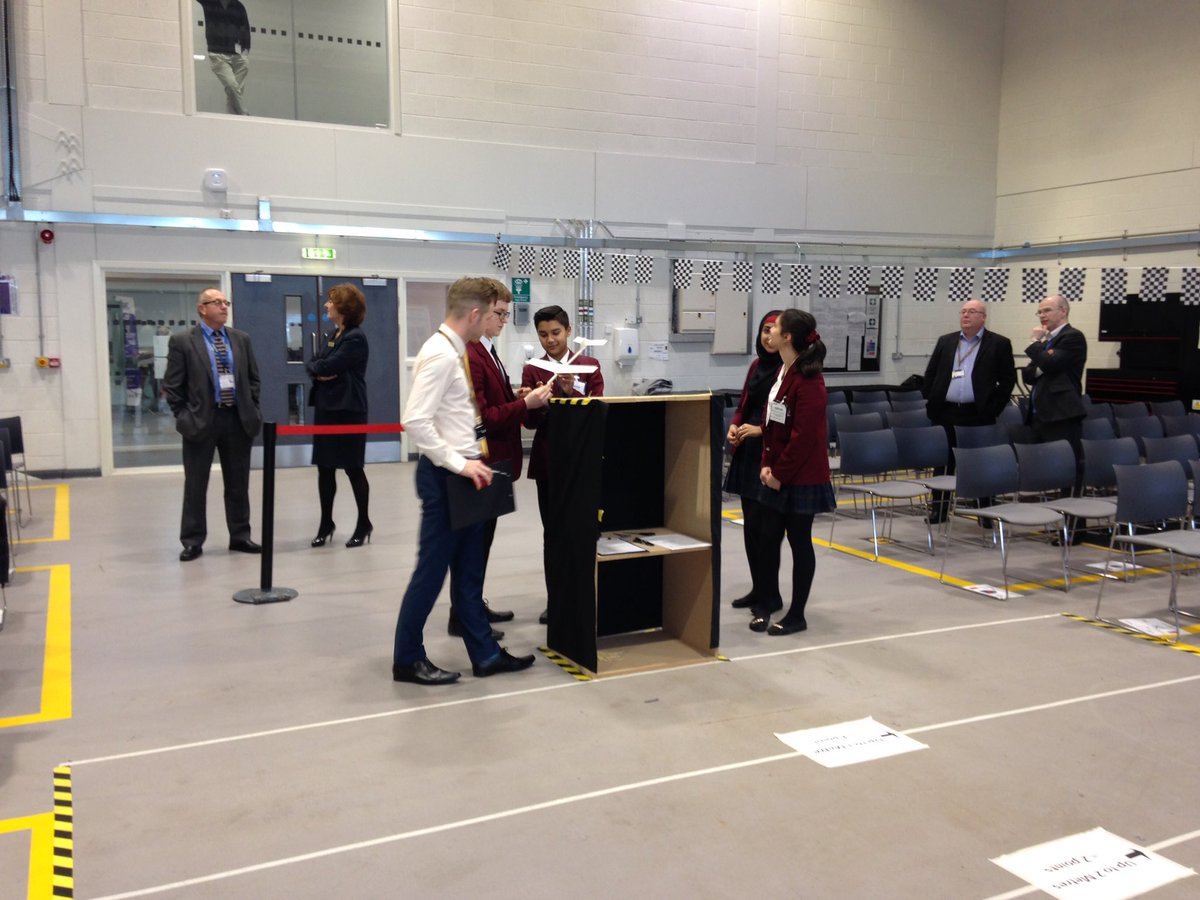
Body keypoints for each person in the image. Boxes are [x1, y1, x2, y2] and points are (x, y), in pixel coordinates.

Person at [392, 276, 536, 686]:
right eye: (493, 313)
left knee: (470, 572)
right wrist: (459, 464)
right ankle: (407, 658)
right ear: (475, 313)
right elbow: (415, 421)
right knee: (432, 573)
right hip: (449, 477)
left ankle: (485, 654)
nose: (496, 320)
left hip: (470, 472)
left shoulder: (455, 351)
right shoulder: (441, 355)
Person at [446, 288, 553, 638]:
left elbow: (495, 402)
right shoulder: (472, 354)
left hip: (496, 461)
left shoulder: (487, 351)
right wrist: (527, 405)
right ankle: (465, 615)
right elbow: (485, 416)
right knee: (474, 545)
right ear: (478, 313)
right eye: (500, 314)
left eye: (507, 314)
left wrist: (517, 397)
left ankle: (470, 606)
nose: (506, 321)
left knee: (482, 542)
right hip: (485, 460)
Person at [751, 308, 836, 636]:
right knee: (767, 538)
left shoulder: (809, 380)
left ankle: (797, 614)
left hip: (799, 476)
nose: (768, 333)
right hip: (777, 470)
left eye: (775, 329)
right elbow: (771, 423)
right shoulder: (784, 372)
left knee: (799, 541)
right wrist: (766, 465)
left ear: (788, 337)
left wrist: (779, 474)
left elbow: (804, 437)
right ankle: (766, 603)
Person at [162, 288, 262, 561]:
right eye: (216, 303)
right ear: (202, 309)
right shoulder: (183, 341)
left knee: (238, 483)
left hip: (236, 419)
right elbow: (172, 386)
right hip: (200, 420)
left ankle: (240, 536)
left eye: (225, 302)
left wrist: (252, 406)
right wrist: (184, 416)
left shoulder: (241, 339)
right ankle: (193, 540)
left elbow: (253, 378)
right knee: (196, 484)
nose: (223, 307)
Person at [521, 305, 605, 625]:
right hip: (549, 460)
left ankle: (584, 595)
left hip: (583, 460)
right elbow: (529, 421)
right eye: (543, 334)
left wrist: (571, 394)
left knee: (584, 531)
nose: (550, 340)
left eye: (555, 333)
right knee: (553, 533)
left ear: (568, 331)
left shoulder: (589, 364)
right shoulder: (533, 368)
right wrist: (543, 401)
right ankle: (555, 598)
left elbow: (597, 410)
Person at [922, 298, 1017, 522]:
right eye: (963, 311)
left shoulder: (999, 343)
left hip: (978, 413)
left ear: (983, 317)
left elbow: (1007, 380)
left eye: (972, 312)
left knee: (980, 461)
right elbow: (931, 373)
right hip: (945, 412)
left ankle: (985, 510)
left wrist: (993, 408)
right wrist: (932, 397)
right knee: (944, 462)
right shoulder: (946, 341)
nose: (965, 315)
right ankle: (940, 510)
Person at [725, 310, 783, 613]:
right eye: (764, 329)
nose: (768, 335)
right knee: (751, 527)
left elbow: (786, 416)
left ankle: (771, 595)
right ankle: (758, 589)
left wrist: (761, 430)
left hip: (769, 452)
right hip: (748, 448)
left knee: (767, 530)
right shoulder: (757, 366)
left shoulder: (789, 369)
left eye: (774, 329)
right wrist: (735, 425)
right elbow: (744, 402)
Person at [307, 283, 372, 549]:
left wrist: (321, 368)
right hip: (326, 410)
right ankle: (326, 523)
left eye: (331, 301)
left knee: (353, 469)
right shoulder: (335, 334)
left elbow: (329, 364)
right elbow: (313, 364)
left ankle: (363, 523)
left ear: (344, 307)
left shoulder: (355, 337)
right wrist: (319, 369)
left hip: (348, 411)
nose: (326, 305)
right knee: (325, 470)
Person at [1024, 293, 1088, 494]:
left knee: (1067, 466)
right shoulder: (1048, 342)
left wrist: (1035, 343)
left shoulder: (1072, 337)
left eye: (1047, 310)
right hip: (1041, 413)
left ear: (1063, 311)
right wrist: (1044, 358)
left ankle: (1073, 519)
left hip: (1062, 413)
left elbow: (1050, 364)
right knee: (1045, 468)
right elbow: (1028, 374)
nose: (1042, 315)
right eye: (1039, 311)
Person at [196, 0, 251, 116]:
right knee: (232, 86)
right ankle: (242, 113)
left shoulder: (238, 6)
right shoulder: (209, 2)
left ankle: (232, 116)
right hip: (217, 53)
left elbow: (245, 27)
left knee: (235, 90)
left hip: (238, 54)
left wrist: (246, 48)